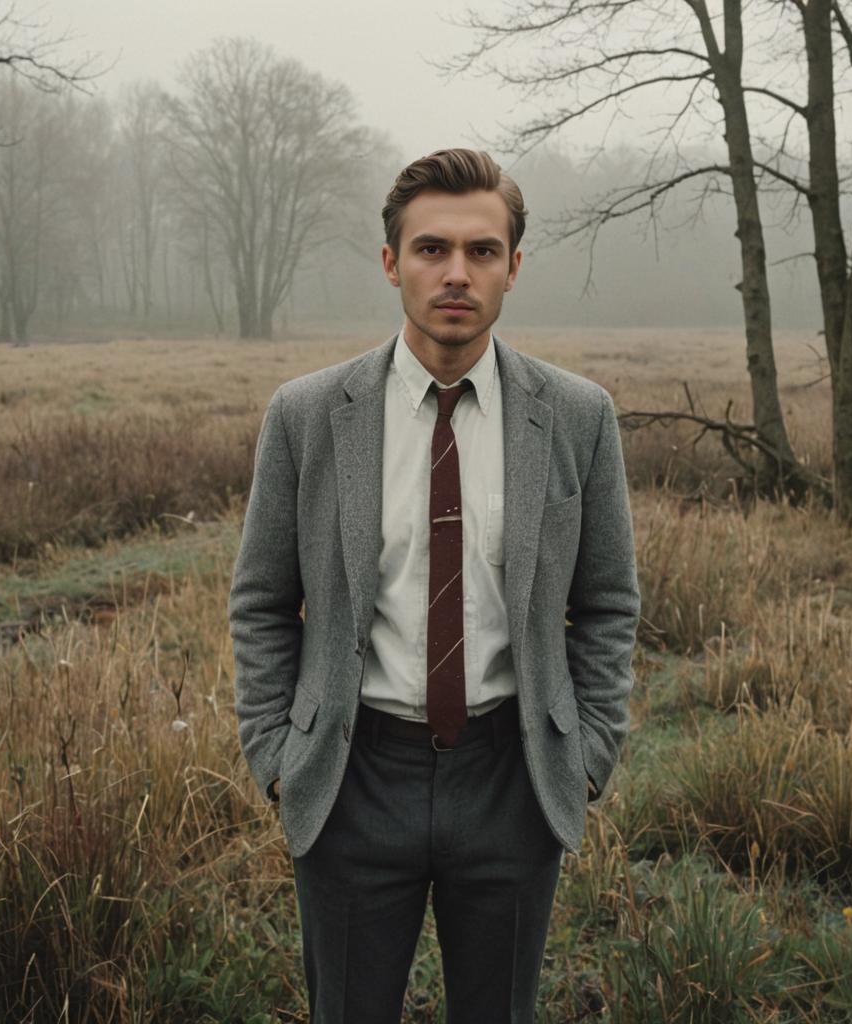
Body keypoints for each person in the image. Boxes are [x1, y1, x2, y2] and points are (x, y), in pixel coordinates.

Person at [229, 148, 639, 1024]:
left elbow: (606, 602)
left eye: (483, 251)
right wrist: (276, 756)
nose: (457, 273)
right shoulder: (306, 416)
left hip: (512, 774)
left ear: (513, 268)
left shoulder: (577, 416)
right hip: (350, 774)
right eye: (431, 249)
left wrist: (588, 754)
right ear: (391, 263)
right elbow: (263, 600)